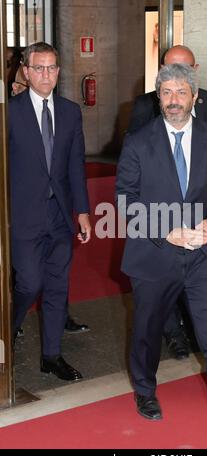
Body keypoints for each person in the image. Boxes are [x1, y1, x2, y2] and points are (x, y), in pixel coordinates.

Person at [116, 63, 207, 449]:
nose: (173, 101)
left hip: (202, 257)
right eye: (166, 93)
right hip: (154, 254)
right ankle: (145, 390)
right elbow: (125, 200)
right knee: (147, 333)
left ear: (195, 97)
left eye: (181, 92)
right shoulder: (138, 141)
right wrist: (165, 230)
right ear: (158, 97)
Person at [128, 45, 207, 361]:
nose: (173, 94)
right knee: (151, 316)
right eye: (167, 78)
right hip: (158, 225)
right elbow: (132, 177)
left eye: (183, 77)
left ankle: (191, 333)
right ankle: (172, 333)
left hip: (198, 231)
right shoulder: (145, 110)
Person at [9, 42, 91, 381]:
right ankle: (7, 328)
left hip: (60, 215)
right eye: (39, 68)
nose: (46, 74)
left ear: (59, 71)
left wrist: (83, 212)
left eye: (52, 68)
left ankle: (52, 355)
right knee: (29, 282)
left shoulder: (71, 112)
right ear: (26, 72)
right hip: (23, 216)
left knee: (57, 286)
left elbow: (76, 165)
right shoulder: (9, 112)